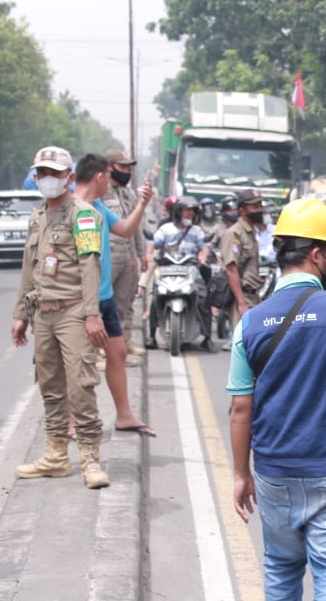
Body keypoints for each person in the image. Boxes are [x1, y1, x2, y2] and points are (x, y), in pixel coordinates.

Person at [227, 198, 326, 599]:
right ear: (317, 255)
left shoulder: (249, 323)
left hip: (274, 470)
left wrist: (240, 473)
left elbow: (240, 409)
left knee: (282, 571)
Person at [11, 146, 109, 488]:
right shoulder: (36, 216)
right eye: (43, 173)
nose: (48, 179)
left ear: (69, 178)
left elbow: (89, 266)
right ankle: (56, 455)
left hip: (73, 312)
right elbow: (30, 267)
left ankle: (90, 459)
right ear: (36, 177)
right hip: (43, 314)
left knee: (80, 386)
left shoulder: (83, 215)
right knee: (50, 387)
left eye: (55, 173)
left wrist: (92, 315)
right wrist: (21, 313)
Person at [73, 153, 157, 438]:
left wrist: (143, 204)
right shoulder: (71, 209)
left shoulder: (97, 206)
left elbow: (124, 229)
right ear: (99, 176)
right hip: (85, 298)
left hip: (105, 294)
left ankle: (124, 414)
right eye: (108, 176)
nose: (110, 182)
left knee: (117, 352)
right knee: (77, 362)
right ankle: (72, 422)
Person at [149, 196, 215, 352]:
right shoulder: (165, 230)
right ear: (178, 212)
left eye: (193, 211)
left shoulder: (197, 231)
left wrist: (203, 257)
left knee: (203, 299)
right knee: (155, 299)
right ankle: (151, 336)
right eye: (187, 210)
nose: (190, 214)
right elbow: (153, 244)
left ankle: (207, 338)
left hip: (191, 271)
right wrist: (149, 254)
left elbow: (204, 246)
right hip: (167, 270)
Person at [102, 149, 148, 358]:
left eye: (129, 168)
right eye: (123, 167)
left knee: (125, 303)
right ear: (109, 168)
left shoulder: (127, 193)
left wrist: (140, 253)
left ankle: (124, 345)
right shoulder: (101, 193)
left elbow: (135, 226)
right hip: (107, 256)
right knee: (102, 304)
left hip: (126, 255)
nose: (127, 172)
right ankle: (99, 350)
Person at [219, 190, 265, 350]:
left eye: (260, 205)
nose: (260, 210)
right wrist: (241, 303)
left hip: (254, 296)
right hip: (243, 296)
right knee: (244, 348)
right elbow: (231, 269)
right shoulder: (234, 233)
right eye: (255, 206)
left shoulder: (251, 232)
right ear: (242, 211)